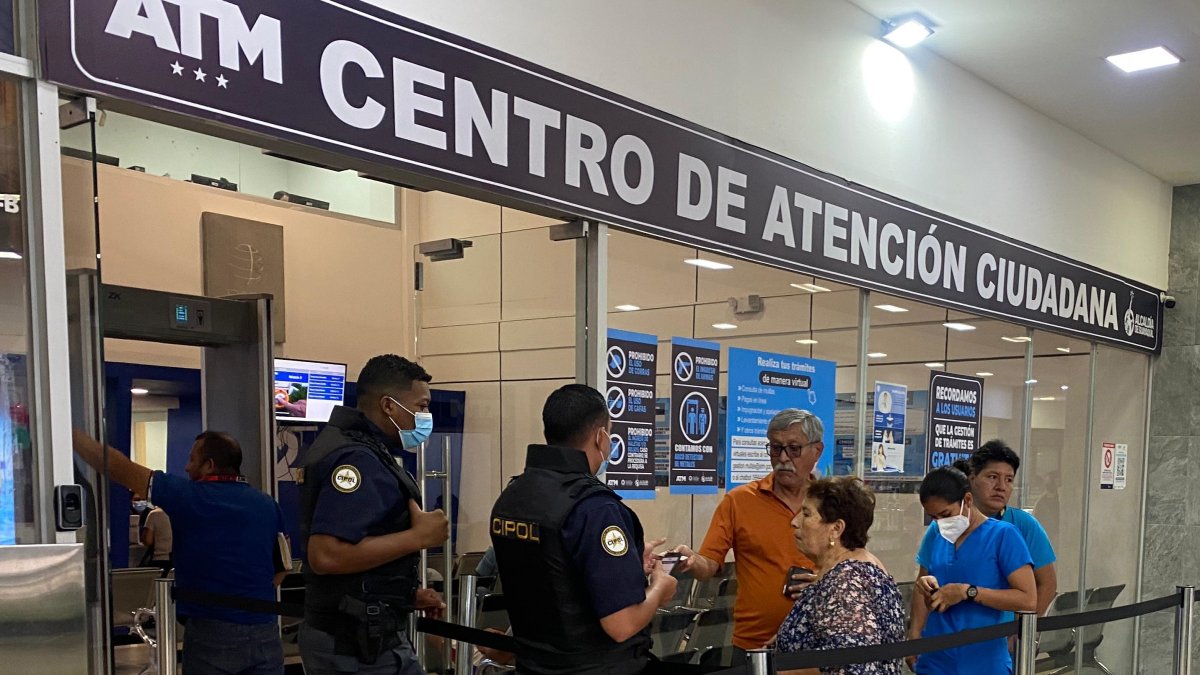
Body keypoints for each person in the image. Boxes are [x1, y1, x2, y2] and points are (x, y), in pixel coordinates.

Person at [490, 384, 677, 675]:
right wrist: (658, 590)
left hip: (532, 665)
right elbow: (621, 624)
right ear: (601, 436)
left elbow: (556, 577)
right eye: (610, 434)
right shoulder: (595, 508)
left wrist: (628, 565)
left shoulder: (512, 497)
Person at [73, 429, 289, 675]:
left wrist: (70, 434)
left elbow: (118, 467)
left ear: (209, 465)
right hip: (266, 631)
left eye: (192, 459)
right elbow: (281, 569)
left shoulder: (187, 496)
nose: (186, 467)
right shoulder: (267, 504)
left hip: (211, 634)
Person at [296, 354, 449, 675]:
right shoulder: (355, 458)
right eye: (421, 406)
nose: (425, 416)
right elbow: (325, 555)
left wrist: (402, 594)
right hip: (355, 647)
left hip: (368, 631)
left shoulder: (367, 450)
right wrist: (417, 537)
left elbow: (365, 543)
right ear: (388, 406)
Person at [673, 408, 822, 659]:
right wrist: (692, 560)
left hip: (819, 640)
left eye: (793, 448)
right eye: (775, 448)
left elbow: (852, 562)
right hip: (754, 645)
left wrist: (824, 584)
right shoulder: (739, 501)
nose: (783, 458)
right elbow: (710, 564)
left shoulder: (829, 501)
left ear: (816, 450)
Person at [908, 467, 1036, 675]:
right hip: (935, 659)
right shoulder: (937, 535)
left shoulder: (1003, 536)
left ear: (967, 500)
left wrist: (968, 592)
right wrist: (915, 633)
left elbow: (1028, 599)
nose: (940, 522)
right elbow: (923, 583)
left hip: (983, 661)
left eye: (945, 514)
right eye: (933, 517)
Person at [775, 477, 904, 675]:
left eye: (807, 514)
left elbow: (852, 666)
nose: (794, 522)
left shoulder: (847, 582)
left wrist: (774, 672)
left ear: (836, 529)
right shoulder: (860, 569)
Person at [966, 441, 1057, 616]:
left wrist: (1022, 632)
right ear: (972, 479)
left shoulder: (1023, 524)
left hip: (1003, 634)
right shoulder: (952, 523)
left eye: (1009, 480)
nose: (1001, 486)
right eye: (992, 477)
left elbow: (1047, 584)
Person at [140, 504, 173, 574]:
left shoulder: (154, 514)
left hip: (159, 560)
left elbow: (148, 541)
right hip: (177, 560)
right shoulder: (182, 512)